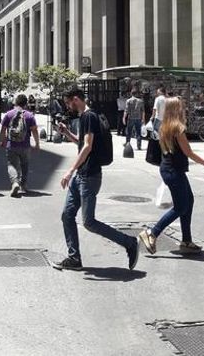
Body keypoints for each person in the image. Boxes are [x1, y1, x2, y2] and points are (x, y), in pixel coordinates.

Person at [52, 88, 140, 271]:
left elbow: (87, 147)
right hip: (81, 175)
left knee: (89, 222)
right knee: (67, 215)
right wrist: (67, 133)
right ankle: (74, 259)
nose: (68, 106)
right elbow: (82, 144)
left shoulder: (88, 117)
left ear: (76, 99)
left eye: (68, 103)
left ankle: (130, 243)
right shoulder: (88, 116)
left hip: (89, 176)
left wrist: (70, 170)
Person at [138, 97, 204, 255]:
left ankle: (186, 241)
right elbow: (189, 153)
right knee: (181, 207)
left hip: (169, 169)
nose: (185, 109)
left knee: (188, 201)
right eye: (182, 107)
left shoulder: (164, 126)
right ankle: (152, 233)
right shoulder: (178, 128)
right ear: (177, 110)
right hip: (174, 171)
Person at [0, 94, 40, 197]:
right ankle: (23, 184)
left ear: (16, 102)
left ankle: (15, 182)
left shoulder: (9, 114)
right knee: (24, 164)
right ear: (26, 104)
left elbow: (3, 129)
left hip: (11, 144)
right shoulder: (30, 116)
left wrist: (3, 141)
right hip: (25, 145)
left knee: (11, 164)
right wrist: (37, 143)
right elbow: (34, 130)